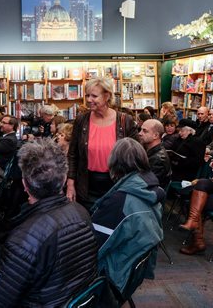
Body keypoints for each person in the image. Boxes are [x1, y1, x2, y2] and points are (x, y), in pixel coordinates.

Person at [0, 138, 97, 307]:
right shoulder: (82, 212)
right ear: (65, 178)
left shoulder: (26, 238)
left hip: (42, 301)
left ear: (24, 184)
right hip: (68, 298)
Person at [91, 138, 164, 294]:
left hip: (111, 276)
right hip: (129, 271)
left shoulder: (120, 203)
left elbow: (91, 249)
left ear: (114, 163)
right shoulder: (150, 190)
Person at [67, 77, 138, 210]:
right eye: (87, 95)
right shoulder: (82, 120)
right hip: (86, 184)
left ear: (107, 96)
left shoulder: (125, 120)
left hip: (117, 184)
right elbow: (73, 154)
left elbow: (136, 157)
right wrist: (70, 184)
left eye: (94, 96)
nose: (88, 100)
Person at [168, 118, 206, 183]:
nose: (179, 133)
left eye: (182, 131)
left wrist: (179, 162)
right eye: (179, 131)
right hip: (174, 169)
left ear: (190, 131)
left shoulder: (197, 142)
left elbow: (197, 162)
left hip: (187, 173)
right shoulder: (179, 139)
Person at [138, 119, 172, 188]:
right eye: (141, 130)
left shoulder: (158, 159)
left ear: (156, 135)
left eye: (144, 131)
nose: (140, 133)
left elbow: (145, 185)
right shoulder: (150, 151)